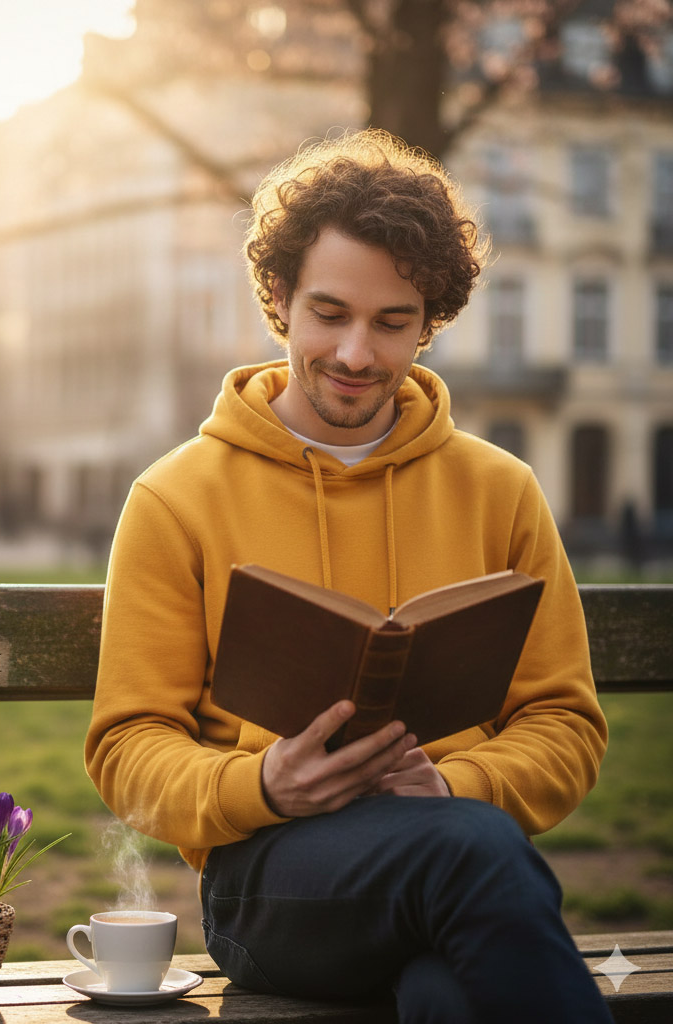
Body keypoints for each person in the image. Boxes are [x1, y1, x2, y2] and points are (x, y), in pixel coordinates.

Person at [84, 128, 612, 1023]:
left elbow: (565, 724)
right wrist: (263, 785)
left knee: (452, 993)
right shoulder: (177, 497)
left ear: (429, 323)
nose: (357, 354)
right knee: (477, 858)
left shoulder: (500, 491)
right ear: (281, 298)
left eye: (392, 322)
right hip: (268, 878)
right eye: (330, 313)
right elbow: (127, 748)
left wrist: (452, 787)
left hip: (454, 859)